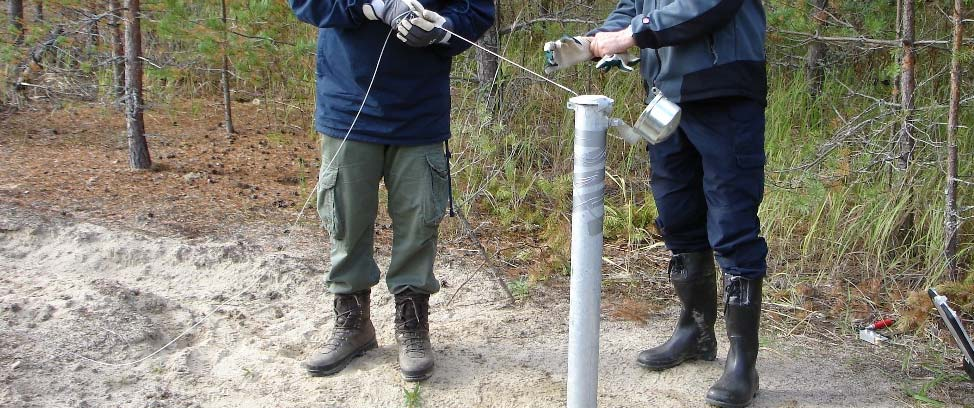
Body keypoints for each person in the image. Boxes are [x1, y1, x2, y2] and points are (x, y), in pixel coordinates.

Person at [545, 1, 768, 406]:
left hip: (726, 92)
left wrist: (633, 34)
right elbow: (633, 6)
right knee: (677, 217)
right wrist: (594, 41)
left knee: (733, 225)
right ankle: (695, 333)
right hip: (666, 97)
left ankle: (743, 364)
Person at [290, 0, 493, 381]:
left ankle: (413, 326)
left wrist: (443, 28)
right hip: (347, 105)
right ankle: (353, 326)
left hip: (420, 113)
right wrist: (370, 7)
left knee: (420, 221)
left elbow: (478, 10)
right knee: (346, 220)